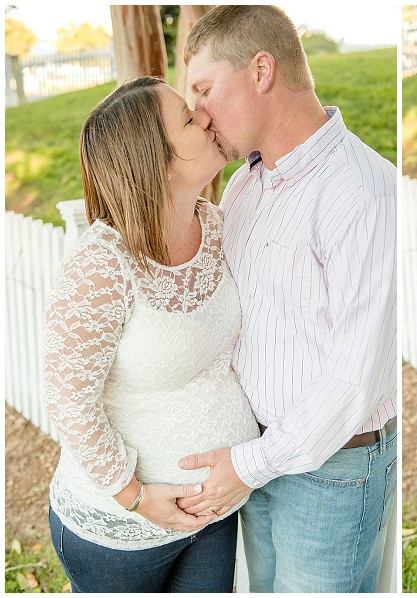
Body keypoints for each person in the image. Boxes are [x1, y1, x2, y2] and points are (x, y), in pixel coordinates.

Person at [173, 5, 397, 593]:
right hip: (258, 460)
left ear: (261, 70)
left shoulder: (361, 191)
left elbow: (353, 378)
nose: (197, 112)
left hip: (332, 472)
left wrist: (247, 466)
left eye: (203, 89)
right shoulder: (247, 183)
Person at [43, 76, 260, 592]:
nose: (205, 116)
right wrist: (132, 495)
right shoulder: (101, 264)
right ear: (153, 159)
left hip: (212, 514)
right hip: (121, 532)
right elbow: (69, 400)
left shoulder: (217, 224)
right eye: (188, 118)